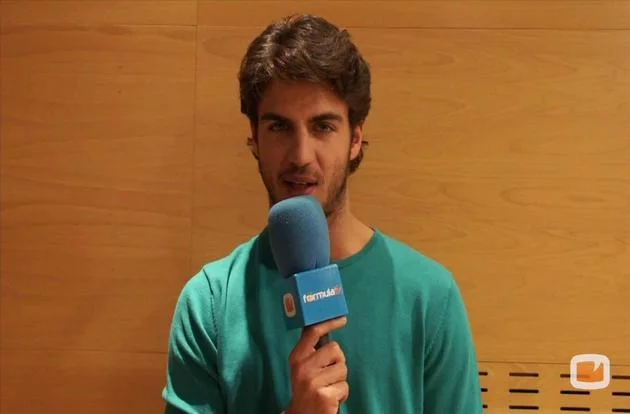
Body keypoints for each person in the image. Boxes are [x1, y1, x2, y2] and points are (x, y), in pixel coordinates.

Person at [162, 13, 483, 414]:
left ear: (355, 138)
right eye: (279, 127)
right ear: (254, 139)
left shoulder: (429, 297)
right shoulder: (209, 302)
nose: (300, 155)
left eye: (323, 127)